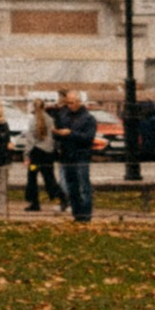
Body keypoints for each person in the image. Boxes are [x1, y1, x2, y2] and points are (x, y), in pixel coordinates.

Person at [54, 86, 98, 224]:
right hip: (67, 155)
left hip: (81, 155)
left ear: (79, 102)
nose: (70, 105)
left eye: (72, 102)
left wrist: (71, 134)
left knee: (83, 185)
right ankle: (77, 213)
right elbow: (58, 131)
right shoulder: (63, 115)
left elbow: (88, 138)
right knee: (71, 186)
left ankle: (86, 214)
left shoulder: (88, 118)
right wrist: (57, 134)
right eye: (68, 103)